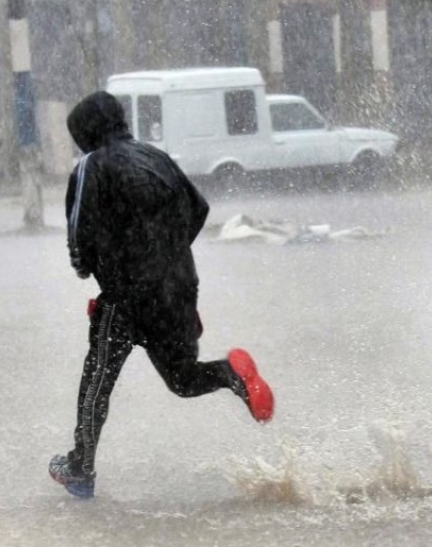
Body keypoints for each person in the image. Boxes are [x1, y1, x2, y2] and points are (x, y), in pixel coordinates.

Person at [49, 91, 274, 499]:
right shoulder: (157, 157)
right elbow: (199, 209)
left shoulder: (91, 166)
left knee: (98, 379)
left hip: (124, 296)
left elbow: (79, 233)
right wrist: (166, 259)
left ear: (84, 132)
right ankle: (232, 375)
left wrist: (87, 267)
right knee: (183, 379)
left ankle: (80, 469)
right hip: (177, 289)